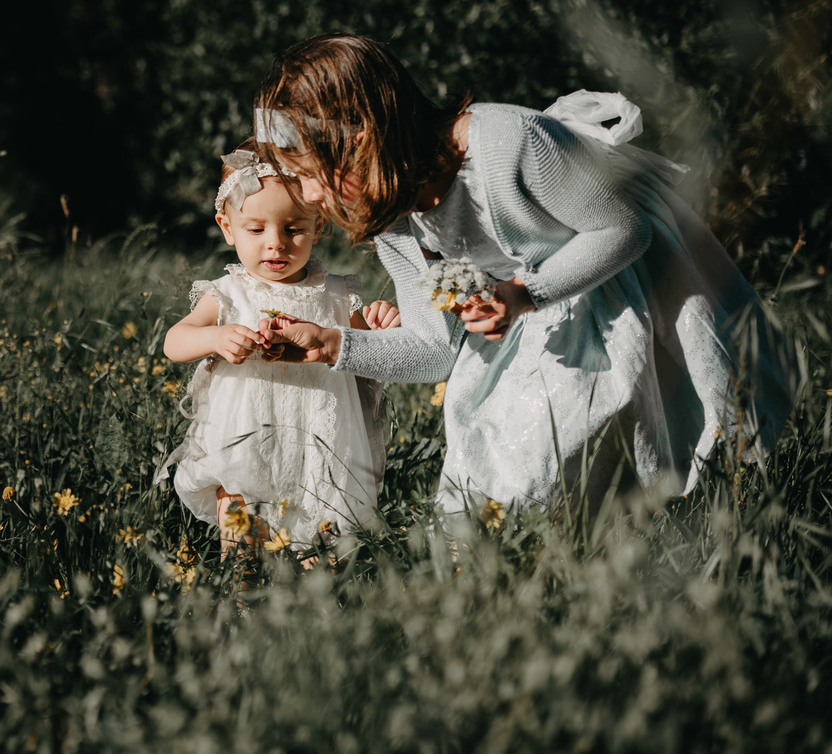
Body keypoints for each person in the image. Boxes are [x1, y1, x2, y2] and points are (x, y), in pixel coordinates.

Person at [252, 33, 801, 518]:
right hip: (530, 311)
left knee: (616, 445)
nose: (311, 197)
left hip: (622, 287)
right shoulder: (394, 217)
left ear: (363, 139)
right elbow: (433, 349)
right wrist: (331, 345)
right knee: (501, 472)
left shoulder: (509, 142)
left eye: (311, 175)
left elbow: (624, 231)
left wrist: (522, 293)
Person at [161, 140, 400, 559]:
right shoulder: (229, 293)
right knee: (242, 535)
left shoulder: (338, 294)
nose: (276, 243)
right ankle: (244, 604)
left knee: (323, 537)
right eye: (256, 229)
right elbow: (174, 341)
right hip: (243, 439)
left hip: (322, 438)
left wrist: (382, 326)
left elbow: (372, 357)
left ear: (318, 224)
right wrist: (215, 338)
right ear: (227, 226)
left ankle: (316, 613)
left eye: (294, 229)